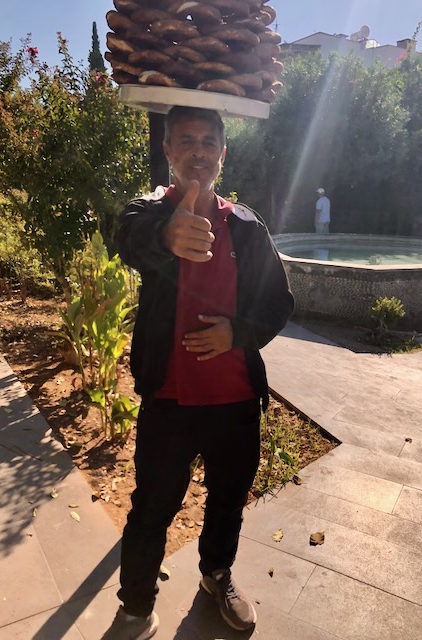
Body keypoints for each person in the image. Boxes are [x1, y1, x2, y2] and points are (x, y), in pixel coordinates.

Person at [101, 106, 294, 640]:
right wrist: (168, 237)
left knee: (228, 500)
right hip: (169, 401)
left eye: (208, 142)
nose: (198, 152)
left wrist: (237, 333)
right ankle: (136, 609)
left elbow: (278, 302)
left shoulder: (247, 226)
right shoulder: (148, 213)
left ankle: (216, 575)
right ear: (168, 150)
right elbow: (129, 237)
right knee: (151, 508)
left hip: (235, 401)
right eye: (185, 140)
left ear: (222, 154)